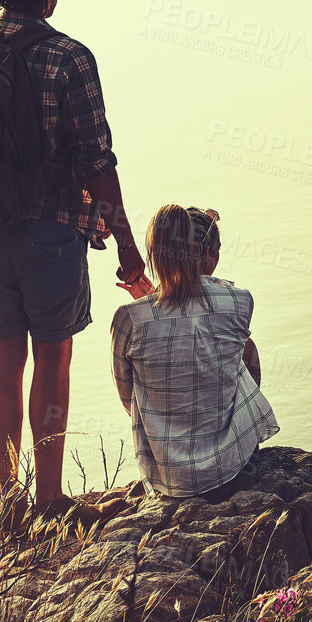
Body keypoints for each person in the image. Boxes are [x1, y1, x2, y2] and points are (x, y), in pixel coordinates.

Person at [0, 0, 145, 510]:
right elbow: (95, 162)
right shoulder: (69, 56)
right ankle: (50, 498)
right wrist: (127, 248)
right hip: (52, 229)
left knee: (4, 357)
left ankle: (8, 499)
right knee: (52, 359)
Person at [111, 205, 279, 499]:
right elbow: (198, 325)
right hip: (234, 468)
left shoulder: (129, 318)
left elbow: (129, 400)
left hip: (169, 478)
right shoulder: (238, 302)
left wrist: (151, 302)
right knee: (241, 348)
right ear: (209, 254)